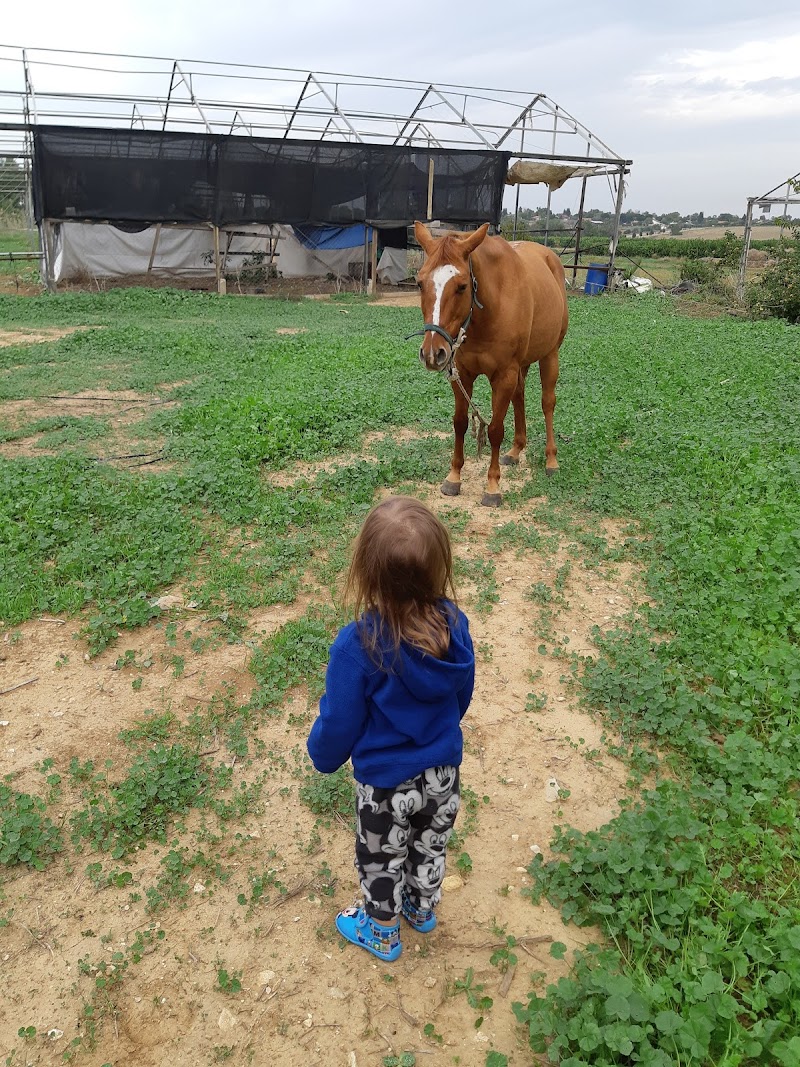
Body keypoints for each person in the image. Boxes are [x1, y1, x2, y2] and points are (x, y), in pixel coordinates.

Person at [306, 495, 475, 962]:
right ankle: (421, 910)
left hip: (383, 785)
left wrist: (322, 755)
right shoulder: (454, 629)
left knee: (381, 860)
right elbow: (461, 694)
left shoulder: (356, 646)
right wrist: (435, 733)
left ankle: (382, 932)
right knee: (429, 844)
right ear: (439, 569)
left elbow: (340, 719)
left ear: (366, 573)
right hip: (443, 774)